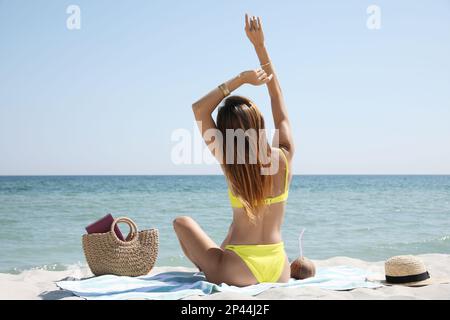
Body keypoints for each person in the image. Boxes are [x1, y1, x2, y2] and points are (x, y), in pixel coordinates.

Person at [173, 14, 295, 286]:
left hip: (238, 269)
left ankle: (208, 269)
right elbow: (278, 101)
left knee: (181, 222)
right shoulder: (283, 158)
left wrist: (240, 79)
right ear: (259, 123)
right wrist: (260, 46)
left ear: (227, 136)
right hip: (279, 267)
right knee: (229, 233)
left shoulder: (229, 160)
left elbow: (199, 109)